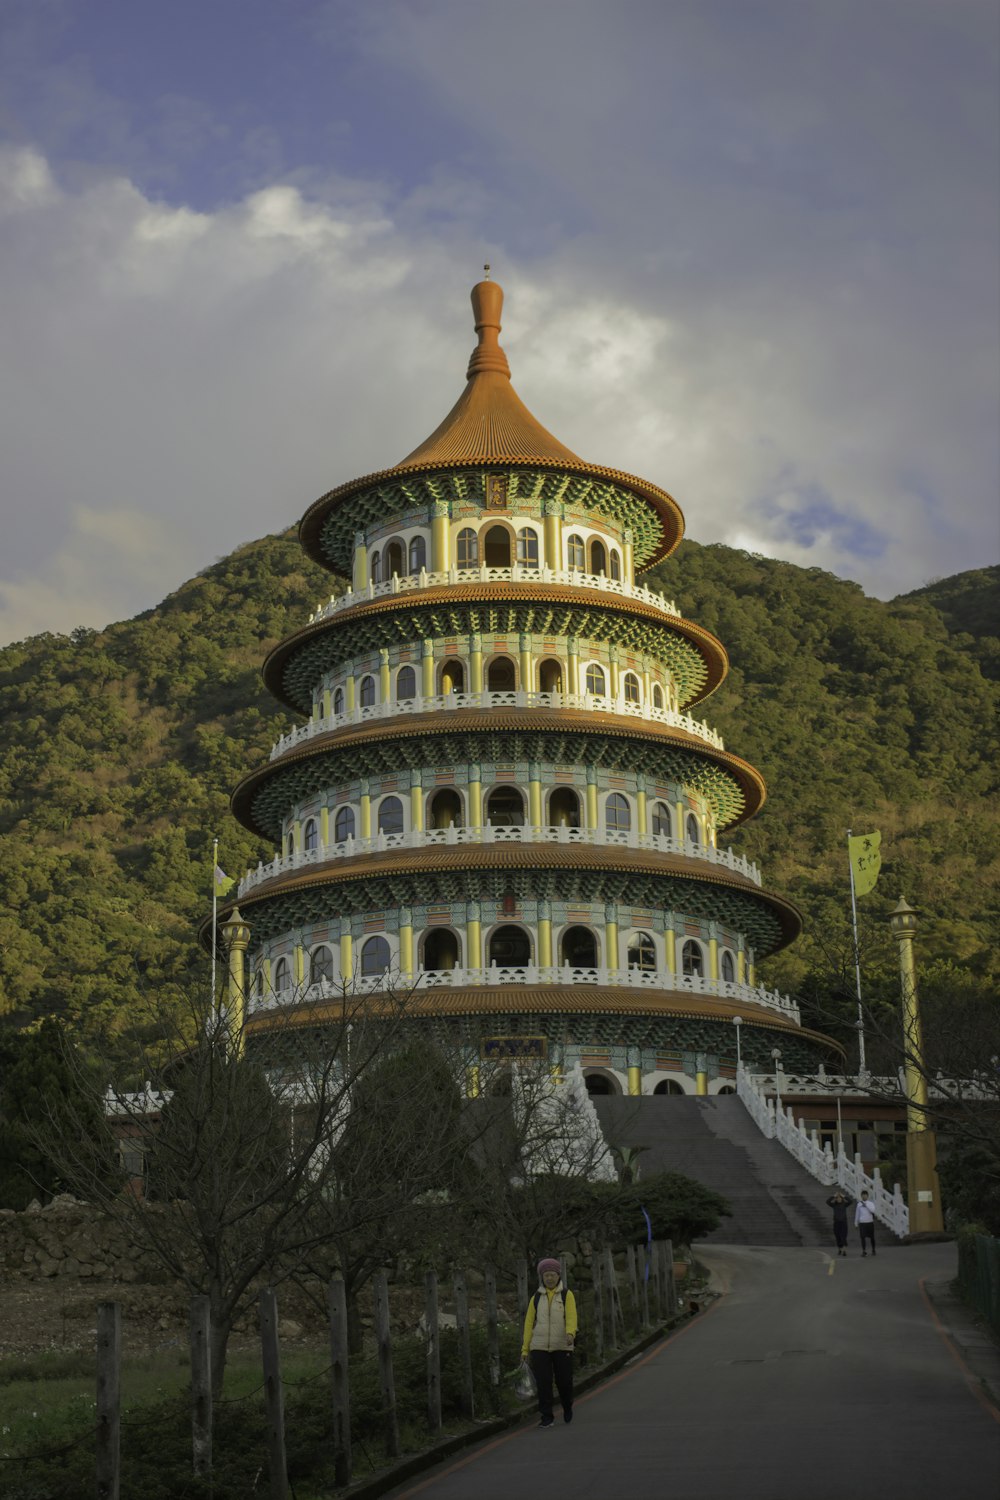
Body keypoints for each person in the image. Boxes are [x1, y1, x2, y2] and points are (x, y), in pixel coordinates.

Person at [521, 1257, 577, 1428]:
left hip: (562, 1345)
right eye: (546, 1275)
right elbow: (529, 1323)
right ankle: (547, 1416)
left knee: (564, 1381)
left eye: (552, 1275)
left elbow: (572, 1316)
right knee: (544, 1383)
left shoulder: (567, 1295)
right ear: (542, 1277)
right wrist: (525, 1349)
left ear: (558, 1275)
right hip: (539, 1346)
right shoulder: (536, 1298)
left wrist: (570, 1333)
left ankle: (567, 1406)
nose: (549, 1278)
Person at [826, 1190, 852, 1255]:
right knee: (838, 1237)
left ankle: (844, 1251)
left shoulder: (844, 1204)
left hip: (843, 1223)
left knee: (843, 1236)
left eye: (840, 1198)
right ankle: (840, 1249)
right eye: (837, 1198)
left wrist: (844, 1196)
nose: (839, 1199)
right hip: (836, 1223)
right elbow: (827, 1202)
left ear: (842, 1198)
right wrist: (833, 1196)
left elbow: (851, 1201)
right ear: (836, 1199)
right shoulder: (834, 1205)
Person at [854, 1190, 877, 1256]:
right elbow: (857, 1214)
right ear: (861, 1196)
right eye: (863, 1195)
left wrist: (866, 1205)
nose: (864, 1196)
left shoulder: (871, 1203)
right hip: (862, 1223)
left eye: (865, 1195)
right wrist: (856, 1223)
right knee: (862, 1237)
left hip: (869, 1222)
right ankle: (864, 1251)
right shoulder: (859, 1204)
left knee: (872, 1237)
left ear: (867, 1196)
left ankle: (873, 1249)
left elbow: (873, 1211)